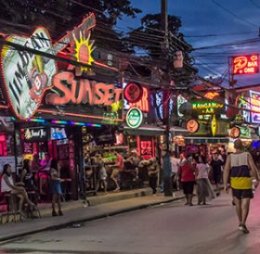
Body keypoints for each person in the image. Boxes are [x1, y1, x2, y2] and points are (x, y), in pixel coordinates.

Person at [224, 139, 259, 234]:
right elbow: (253, 168)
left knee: (238, 204)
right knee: (245, 204)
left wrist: (225, 184)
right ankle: (243, 223)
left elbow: (226, 170)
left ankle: (240, 222)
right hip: (246, 182)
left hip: (235, 183)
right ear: (242, 146)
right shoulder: (247, 155)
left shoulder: (230, 157)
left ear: (234, 147)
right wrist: (257, 179)